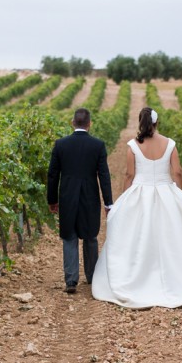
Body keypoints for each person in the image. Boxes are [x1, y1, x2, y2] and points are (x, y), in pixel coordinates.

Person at [91, 107, 182, 308]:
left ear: (141, 122)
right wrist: (178, 193)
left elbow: (129, 175)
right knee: (174, 236)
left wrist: (125, 197)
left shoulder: (133, 145)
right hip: (166, 191)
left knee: (136, 236)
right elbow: (178, 172)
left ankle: (138, 280)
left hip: (140, 192)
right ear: (157, 123)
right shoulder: (170, 144)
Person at [47, 108, 113, 294]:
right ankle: (92, 277)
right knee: (91, 236)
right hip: (89, 196)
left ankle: (71, 280)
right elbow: (104, 175)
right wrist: (108, 202)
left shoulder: (60, 145)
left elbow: (52, 175)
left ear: (72, 122)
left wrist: (52, 199)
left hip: (67, 196)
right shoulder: (98, 145)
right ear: (89, 124)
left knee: (69, 236)